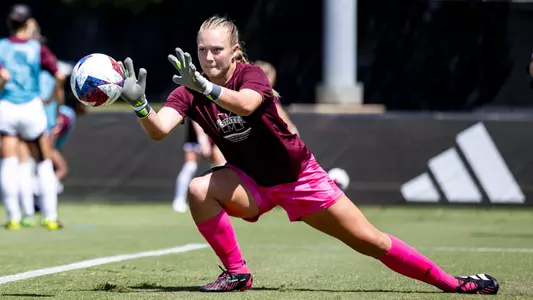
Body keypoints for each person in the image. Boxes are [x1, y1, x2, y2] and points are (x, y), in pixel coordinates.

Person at [118, 16, 498, 294]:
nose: (208, 57)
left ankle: (453, 283)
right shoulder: (188, 88)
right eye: (202, 49)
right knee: (200, 189)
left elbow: (247, 105)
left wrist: (207, 87)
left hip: (300, 179)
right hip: (250, 181)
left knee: (371, 242)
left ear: (234, 51)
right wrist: (138, 105)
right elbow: (159, 130)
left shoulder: (251, 75)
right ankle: (237, 273)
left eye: (216, 50)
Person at [0, 4, 65, 230]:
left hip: (6, 106)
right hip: (31, 107)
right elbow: (59, 74)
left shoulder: (1, 47)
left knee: (8, 162)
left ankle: (14, 218)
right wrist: (50, 99)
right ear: (29, 23)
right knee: (43, 162)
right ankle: (50, 216)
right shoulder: (37, 48)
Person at [172, 119, 225, 213]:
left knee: (221, 167)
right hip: (194, 139)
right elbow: (195, 120)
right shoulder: (195, 106)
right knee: (190, 167)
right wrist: (203, 140)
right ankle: (179, 201)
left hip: (214, 139)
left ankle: (221, 200)